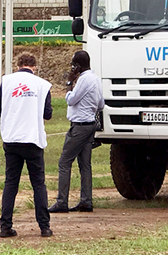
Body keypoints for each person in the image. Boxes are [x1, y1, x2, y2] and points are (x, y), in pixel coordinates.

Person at [0, 52, 53, 238]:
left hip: (11, 138)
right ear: (34, 67)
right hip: (33, 139)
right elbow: (48, 114)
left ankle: (5, 226)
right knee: (38, 184)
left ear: (17, 64)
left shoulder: (6, 81)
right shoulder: (42, 85)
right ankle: (44, 227)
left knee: (11, 183)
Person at [48, 50, 104, 213]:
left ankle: (62, 201)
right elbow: (101, 105)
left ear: (78, 66)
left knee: (64, 162)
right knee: (85, 164)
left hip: (79, 126)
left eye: (73, 65)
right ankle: (86, 201)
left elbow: (71, 100)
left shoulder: (83, 80)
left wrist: (69, 84)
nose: (72, 68)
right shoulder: (95, 79)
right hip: (90, 124)